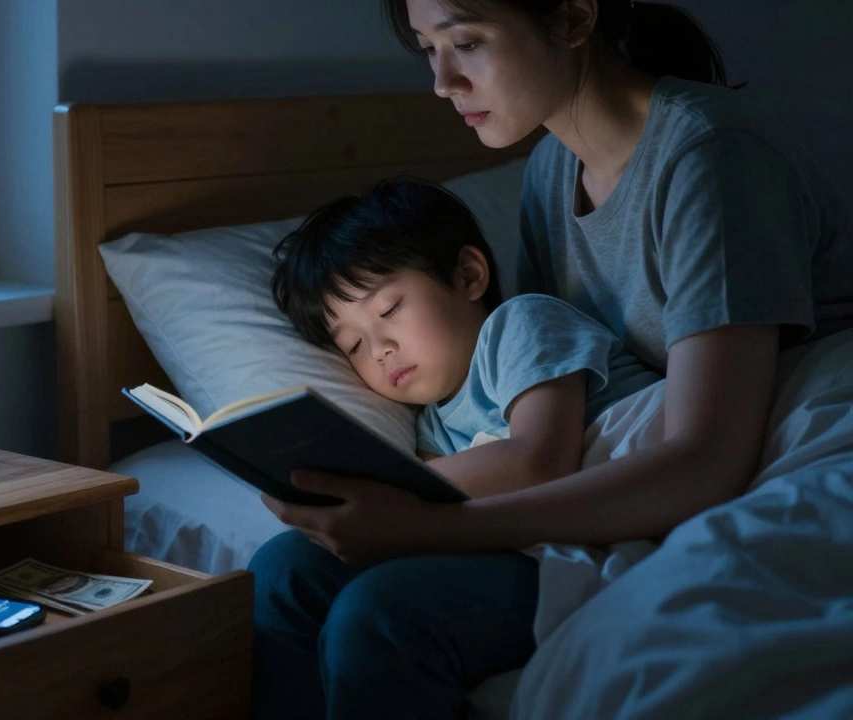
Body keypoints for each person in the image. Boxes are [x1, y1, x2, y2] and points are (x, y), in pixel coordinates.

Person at [249, 1, 853, 718]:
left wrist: (426, 521)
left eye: (466, 42)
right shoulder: (547, 172)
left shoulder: (708, 153)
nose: (443, 81)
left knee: (381, 615)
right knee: (283, 571)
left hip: (784, 447)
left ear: (571, 18)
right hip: (622, 471)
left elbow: (703, 458)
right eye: (428, 49)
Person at [271, 177, 659, 499]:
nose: (378, 350)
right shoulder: (433, 428)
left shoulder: (521, 326)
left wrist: (385, 491)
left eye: (389, 309)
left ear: (469, 276)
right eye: (353, 345)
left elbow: (539, 462)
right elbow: (441, 510)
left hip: (667, 470)